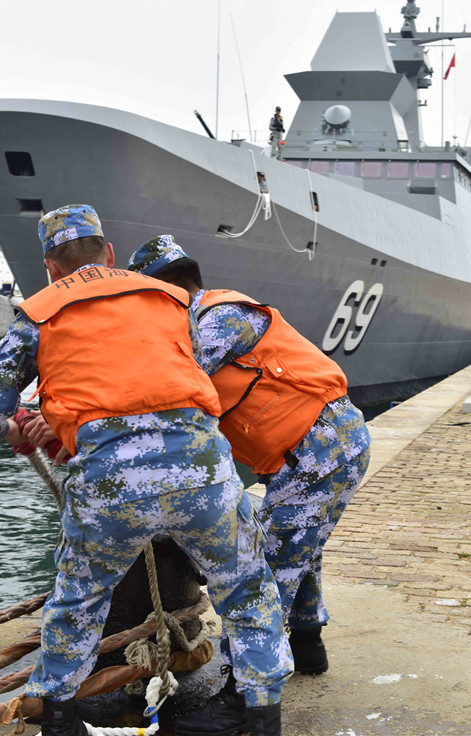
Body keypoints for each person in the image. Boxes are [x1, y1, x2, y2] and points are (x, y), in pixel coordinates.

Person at [0, 206, 291, 736]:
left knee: (78, 601)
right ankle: (261, 716)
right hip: (202, 474)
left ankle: (60, 720)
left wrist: (21, 429)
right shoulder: (172, 299)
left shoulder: (38, 313)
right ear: (109, 254)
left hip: (112, 487)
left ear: (49, 267)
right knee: (247, 590)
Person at [128, 234, 372, 679]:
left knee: (266, 569)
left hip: (321, 447)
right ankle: (307, 645)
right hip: (314, 449)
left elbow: (172, 385)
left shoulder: (218, 318)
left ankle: (242, 690)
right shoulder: (194, 322)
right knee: (298, 548)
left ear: (162, 292)